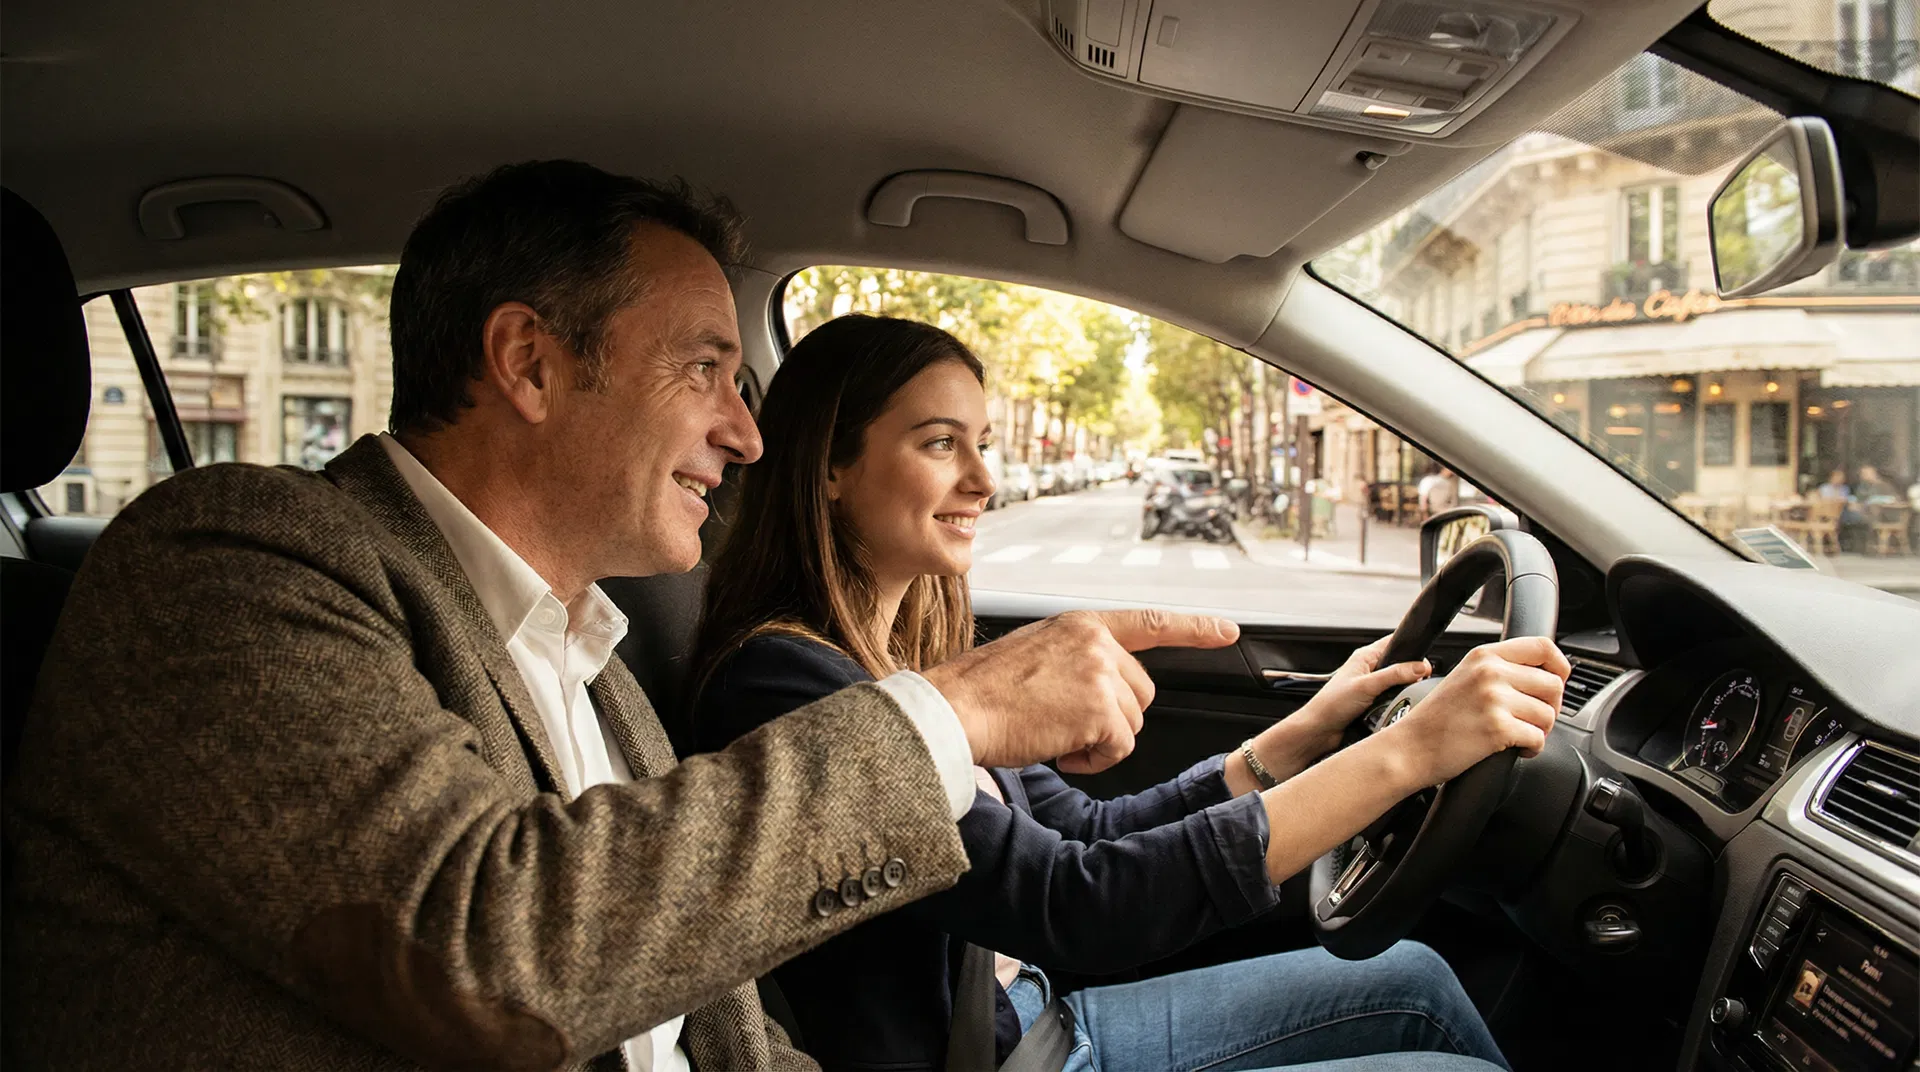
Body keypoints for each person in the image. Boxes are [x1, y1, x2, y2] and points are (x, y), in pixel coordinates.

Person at [2, 163, 1240, 1070]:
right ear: (530, 363)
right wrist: (953, 708)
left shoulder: (597, 672)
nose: (747, 431)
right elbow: (487, 955)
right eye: (704, 368)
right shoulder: (230, 561)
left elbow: (733, 1038)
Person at [690, 315, 1569, 1072]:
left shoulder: (916, 658)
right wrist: (1408, 752)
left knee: (1414, 976)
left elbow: (1081, 832)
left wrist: (1299, 736)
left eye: (982, 444)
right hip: (1000, 1057)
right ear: (830, 467)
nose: (984, 481)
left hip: (1037, 1021)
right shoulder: (787, 683)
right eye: (938, 443)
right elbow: (1076, 901)